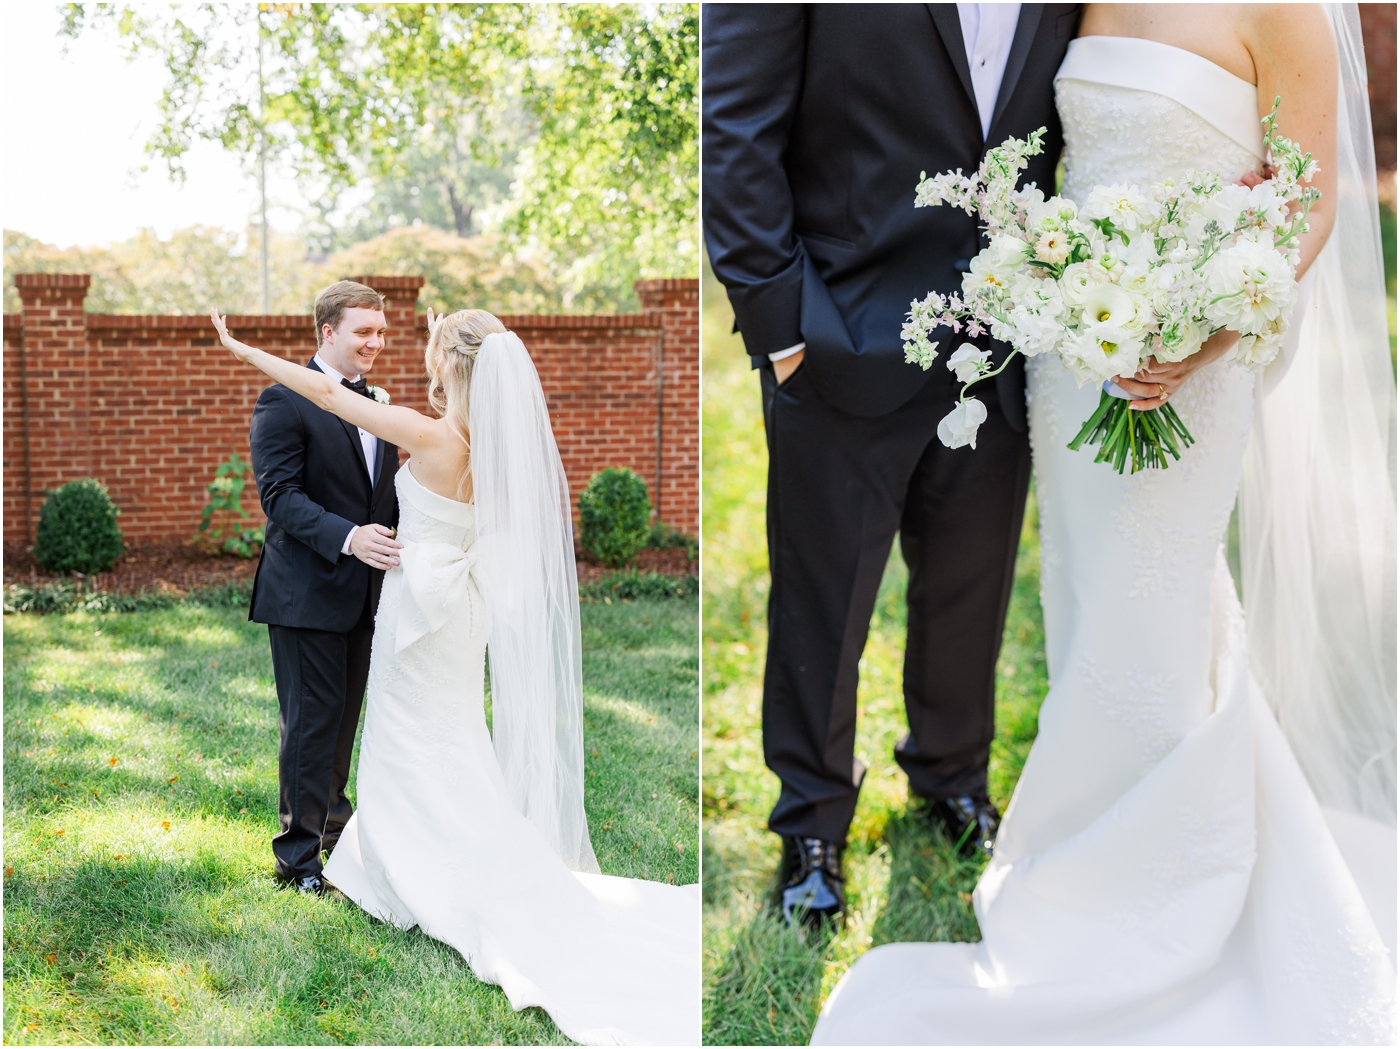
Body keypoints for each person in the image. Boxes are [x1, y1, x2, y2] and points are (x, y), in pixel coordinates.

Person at [811, 4, 1396, 1043]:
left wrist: (1198, 339)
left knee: (1156, 607)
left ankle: (1169, 896)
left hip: (1191, 365)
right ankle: (1089, 851)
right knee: (1084, 603)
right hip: (1068, 355)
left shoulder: (1284, 14)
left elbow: (1305, 211)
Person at [210, 305, 699, 1045]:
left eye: (434, 354)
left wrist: (243, 350)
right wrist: (451, 339)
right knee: (456, 734)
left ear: (454, 366)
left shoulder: (430, 434)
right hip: (463, 611)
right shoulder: (499, 448)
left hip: (418, 611)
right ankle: (427, 851)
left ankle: (417, 871)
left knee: (410, 736)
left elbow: (330, 396)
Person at [702, 3, 1082, 924]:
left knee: (971, 580)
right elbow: (737, 126)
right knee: (821, 598)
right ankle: (813, 822)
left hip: (1005, 336)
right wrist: (782, 329)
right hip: (838, 330)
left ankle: (951, 777)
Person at [247, 279, 404, 894]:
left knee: (343, 723)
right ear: (328, 332)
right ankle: (297, 861)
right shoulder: (283, 401)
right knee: (311, 724)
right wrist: (349, 537)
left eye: (381, 332)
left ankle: (335, 838)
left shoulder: (379, 404)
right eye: (363, 331)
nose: (376, 343)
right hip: (306, 591)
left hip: (367, 594)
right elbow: (279, 497)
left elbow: (381, 494)